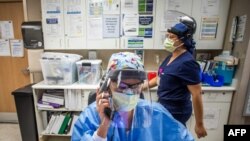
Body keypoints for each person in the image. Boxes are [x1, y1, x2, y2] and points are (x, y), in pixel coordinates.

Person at [71, 52, 194, 141]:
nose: (129, 93)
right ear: (107, 87)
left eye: (135, 86)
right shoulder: (90, 117)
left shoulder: (156, 113)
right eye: (122, 86)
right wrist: (103, 126)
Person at [144, 16, 207, 138]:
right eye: (167, 36)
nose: (168, 40)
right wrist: (142, 87)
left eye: (172, 37)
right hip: (163, 105)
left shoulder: (188, 63)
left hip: (176, 110)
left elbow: (197, 94)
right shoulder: (171, 57)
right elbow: (160, 78)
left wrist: (199, 124)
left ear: (183, 41)